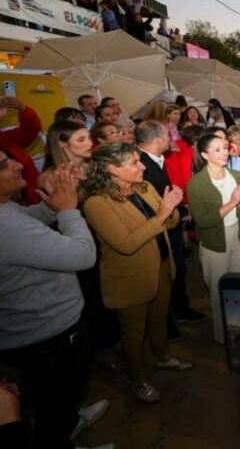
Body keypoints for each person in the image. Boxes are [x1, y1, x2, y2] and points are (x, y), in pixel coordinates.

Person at [0, 156, 111, 448]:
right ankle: (61, 433)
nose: (18, 164)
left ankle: (70, 420)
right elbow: (83, 255)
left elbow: (26, 221)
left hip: (40, 326)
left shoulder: (6, 212)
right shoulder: (5, 228)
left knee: (55, 398)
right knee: (52, 407)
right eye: (3, 165)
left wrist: (51, 205)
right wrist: (68, 210)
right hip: (47, 334)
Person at [81, 143, 191, 404]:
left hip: (162, 266)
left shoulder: (144, 187)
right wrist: (162, 214)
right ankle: (137, 379)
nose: (142, 166)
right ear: (112, 169)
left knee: (159, 318)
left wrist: (171, 207)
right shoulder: (97, 204)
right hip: (131, 278)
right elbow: (126, 244)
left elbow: (171, 222)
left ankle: (163, 357)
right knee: (133, 333)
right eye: (134, 162)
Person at [136, 121, 206, 335]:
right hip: (158, 229)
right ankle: (165, 324)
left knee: (177, 271)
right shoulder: (141, 165)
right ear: (157, 140)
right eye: (167, 134)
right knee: (164, 277)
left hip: (171, 224)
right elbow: (154, 203)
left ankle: (180, 310)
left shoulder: (156, 160)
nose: (172, 138)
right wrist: (182, 213)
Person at [187, 133, 240, 343]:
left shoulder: (236, 175)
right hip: (215, 241)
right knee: (218, 289)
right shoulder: (196, 184)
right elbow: (203, 221)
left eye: (225, 147)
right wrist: (232, 202)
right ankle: (222, 335)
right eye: (217, 149)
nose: (224, 152)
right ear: (205, 155)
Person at [0, 96, 42, 205]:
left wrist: (22, 108)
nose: (19, 166)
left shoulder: (5, 138)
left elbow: (31, 130)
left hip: (35, 199)